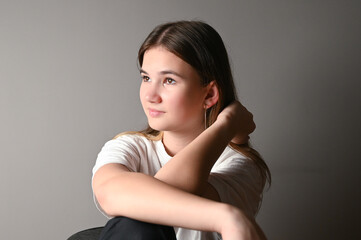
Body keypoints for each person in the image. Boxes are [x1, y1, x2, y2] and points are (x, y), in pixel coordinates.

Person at [92, 20, 271, 240]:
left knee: (139, 223)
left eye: (169, 80)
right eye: (146, 78)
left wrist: (226, 125)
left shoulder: (238, 165)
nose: (150, 95)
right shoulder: (130, 146)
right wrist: (226, 217)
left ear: (209, 95)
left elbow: (165, 197)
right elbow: (111, 194)